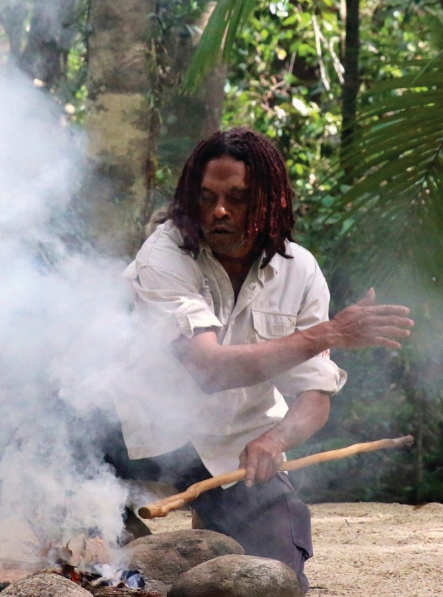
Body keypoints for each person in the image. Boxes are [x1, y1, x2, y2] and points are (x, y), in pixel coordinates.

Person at [107, 127, 413, 592]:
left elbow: (315, 392)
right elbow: (209, 369)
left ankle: (206, 537)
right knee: (87, 540)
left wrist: (276, 438)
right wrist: (327, 333)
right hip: (142, 434)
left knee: (275, 577)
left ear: (270, 202)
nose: (220, 211)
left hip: (236, 449)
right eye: (206, 197)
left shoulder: (300, 269)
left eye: (238, 198)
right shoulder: (164, 254)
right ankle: (115, 536)